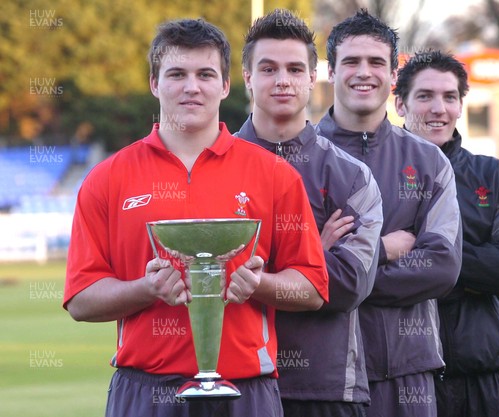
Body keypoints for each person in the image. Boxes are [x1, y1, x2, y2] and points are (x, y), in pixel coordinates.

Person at [63, 18, 329, 417]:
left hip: (245, 392)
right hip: (145, 391)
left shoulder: (274, 175)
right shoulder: (108, 178)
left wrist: (259, 284)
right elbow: (81, 299)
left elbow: (312, 289)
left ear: (225, 85)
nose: (192, 87)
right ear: (154, 83)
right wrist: (146, 288)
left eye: (205, 74)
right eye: (176, 74)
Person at [316, 9, 462, 417]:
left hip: (407, 372)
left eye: (376, 62)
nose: (364, 72)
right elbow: (296, 269)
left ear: (393, 73)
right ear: (331, 71)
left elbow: (441, 267)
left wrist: (341, 268)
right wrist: (380, 250)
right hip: (322, 374)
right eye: (351, 62)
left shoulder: (429, 161)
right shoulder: (300, 157)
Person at [237, 9, 383, 417]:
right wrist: (310, 256)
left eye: (294, 68)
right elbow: (209, 280)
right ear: (247, 76)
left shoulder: (352, 177)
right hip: (235, 384)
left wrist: (260, 274)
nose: (282, 80)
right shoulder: (212, 167)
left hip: (327, 387)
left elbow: (351, 284)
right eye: (268, 68)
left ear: (311, 77)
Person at [394, 50, 499, 417]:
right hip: (405, 379)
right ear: (400, 104)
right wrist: (474, 264)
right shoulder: (372, 176)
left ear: (460, 106)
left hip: (483, 379)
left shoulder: (490, 176)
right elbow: (368, 272)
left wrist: (430, 256)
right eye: (424, 96)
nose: (438, 108)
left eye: (449, 97)